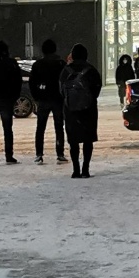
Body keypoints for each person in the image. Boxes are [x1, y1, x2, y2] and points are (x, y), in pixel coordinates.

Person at [60, 43, 103, 178]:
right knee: (87, 140)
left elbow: (61, 90)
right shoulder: (91, 70)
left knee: (73, 141)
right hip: (88, 109)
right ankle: (85, 169)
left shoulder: (66, 71)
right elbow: (97, 88)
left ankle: (75, 169)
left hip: (70, 109)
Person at [28, 37, 66, 165]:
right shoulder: (61, 64)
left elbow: (32, 83)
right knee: (59, 127)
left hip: (43, 99)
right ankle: (60, 153)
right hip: (58, 100)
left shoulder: (38, 65)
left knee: (40, 128)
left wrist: (36, 97)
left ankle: (39, 154)